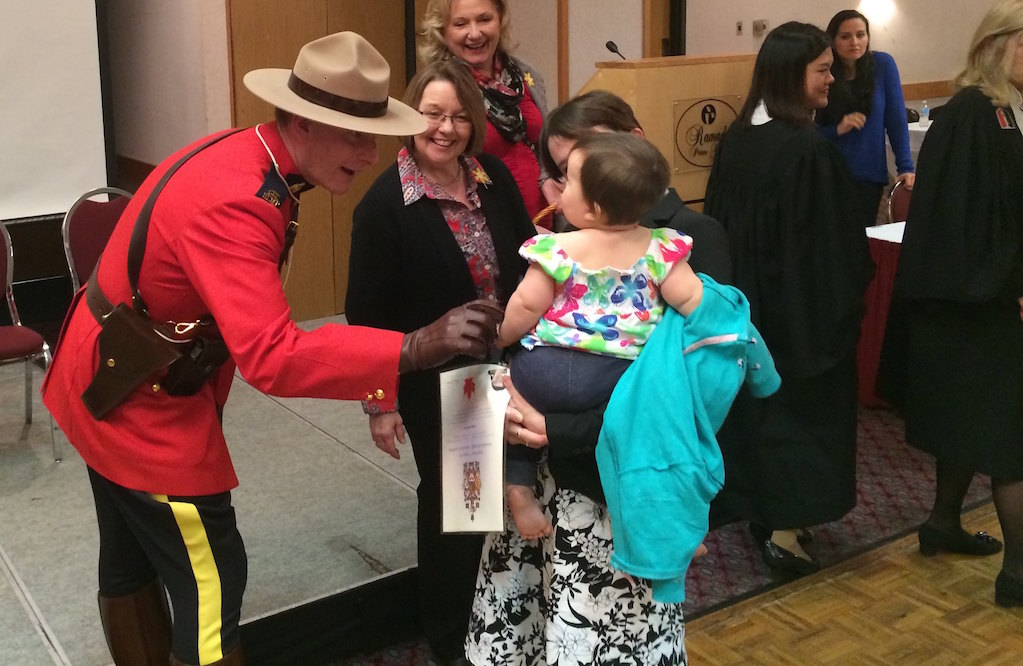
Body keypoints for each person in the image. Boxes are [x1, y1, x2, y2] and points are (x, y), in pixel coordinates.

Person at [40, 33, 504, 666]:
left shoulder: (247, 153)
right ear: (305, 122)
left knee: (129, 555)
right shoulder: (236, 201)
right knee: (212, 576)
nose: (369, 155)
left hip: (111, 371)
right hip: (137, 403)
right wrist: (416, 346)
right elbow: (272, 355)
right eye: (353, 135)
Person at [344, 59, 536, 664]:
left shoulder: (494, 177)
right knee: (461, 509)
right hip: (445, 384)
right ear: (409, 116)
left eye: (459, 116)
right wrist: (380, 402)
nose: (446, 128)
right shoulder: (384, 206)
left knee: (517, 493)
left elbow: (530, 257)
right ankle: (452, 633)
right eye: (432, 114)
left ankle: (506, 618)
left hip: (516, 364)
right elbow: (365, 317)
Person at [703, 22, 874, 575]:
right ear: (789, 76)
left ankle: (763, 513)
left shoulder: (737, 139)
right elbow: (830, 251)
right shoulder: (805, 152)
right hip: (800, 317)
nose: (831, 80)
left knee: (756, 414)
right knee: (798, 415)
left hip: (748, 314)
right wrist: (845, 304)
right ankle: (783, 530)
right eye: (822, 70)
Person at [879, 0, 1023, 608]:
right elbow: (971, 221)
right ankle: (1019, 573)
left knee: (973, 420)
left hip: (982, 296)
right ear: (1000, 45)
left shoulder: (1005, 110)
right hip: (979, 299)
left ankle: (941, 522)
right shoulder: (974, 113)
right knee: (1011, 436)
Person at [495, 132, 704, 539]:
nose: (559, 187)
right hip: (616, 376)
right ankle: (657, 523)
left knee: (515, 413)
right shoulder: (662, 249)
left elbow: (525, 306)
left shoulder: (555, 248)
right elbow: (694, 301)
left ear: (593, 207)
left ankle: (519, 490)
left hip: (543, 369)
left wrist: (503, 338)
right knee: (640, 438)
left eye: (568, 181)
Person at [539, 90, 733, 280]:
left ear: (635, 140)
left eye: (592, 152)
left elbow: (713, 311)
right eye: (567, 168)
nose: (584, 172)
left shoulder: (697, 232)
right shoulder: (573, 235)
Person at [419, 0, 558, 226]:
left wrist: (547, 179)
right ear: (443, 30)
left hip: (542, 221)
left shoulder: (525, 75)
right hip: (484, 225)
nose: (475, 34)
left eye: (484, 19)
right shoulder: (441, 88)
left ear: (500, 20)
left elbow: (541, 144)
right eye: (461, 24)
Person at [816, 9, 915, 226]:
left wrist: (906, 167)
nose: (854, 42)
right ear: (832, 40)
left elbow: (896, 120)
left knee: (865, 243)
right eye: (845, 36)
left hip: (869, 175)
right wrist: (837, 129)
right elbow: (806, 131)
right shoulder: (824, 72)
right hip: (829, 175)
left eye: (860, 35)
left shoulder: (882, 65)